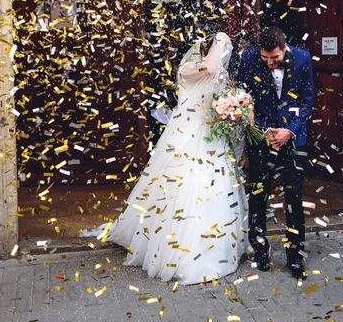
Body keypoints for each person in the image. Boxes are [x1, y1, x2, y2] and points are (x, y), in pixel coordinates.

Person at [91, 32, 247, 285]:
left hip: (211, 137)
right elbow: (207, 69)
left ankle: (213, 249)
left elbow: (219, 90)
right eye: (223, 50)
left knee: (213, 191)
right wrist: (219, 42)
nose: (225, 57)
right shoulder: (188, 68)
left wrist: (233, 109)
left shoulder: (220, 76)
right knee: (180, 187)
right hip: (187, 133)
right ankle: (174, 251)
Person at [237, 27, 314, 280]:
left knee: (294, 198)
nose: (269, 63)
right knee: (258, 195)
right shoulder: (248, 59)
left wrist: (289, 132)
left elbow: (306, 102)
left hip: (293, 140)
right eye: (265, 58)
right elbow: (243, 100)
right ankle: (260, 250)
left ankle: (295, 257)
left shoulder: (303, 58)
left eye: (275, 59)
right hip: (261, 139)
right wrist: (264, 131)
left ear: (284, 47)